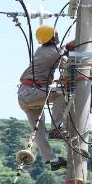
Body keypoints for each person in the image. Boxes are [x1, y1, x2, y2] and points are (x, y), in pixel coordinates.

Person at [15, 24, 77, 171]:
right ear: (51, 37)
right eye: (55, 34)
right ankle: (56, 128)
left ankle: (52, 160)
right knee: (62, 92)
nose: (58, 36)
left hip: (26, 95)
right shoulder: (52, 52)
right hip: (31, 92)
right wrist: (83, 38)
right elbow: (68, 52)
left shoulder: (42, 50)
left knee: (38, 131)